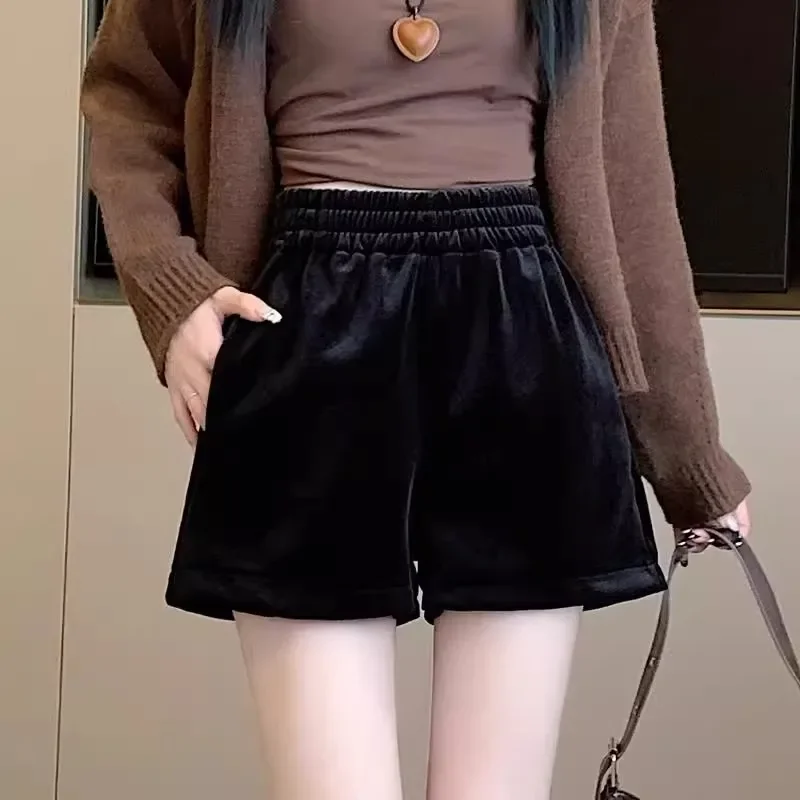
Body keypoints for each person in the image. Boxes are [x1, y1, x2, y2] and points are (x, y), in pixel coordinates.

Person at [80, 0, 751, 798]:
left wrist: (690, 457)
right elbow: (128, 95)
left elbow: (632, 186)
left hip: (522, 343)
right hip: (311, 334)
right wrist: (173, 286)